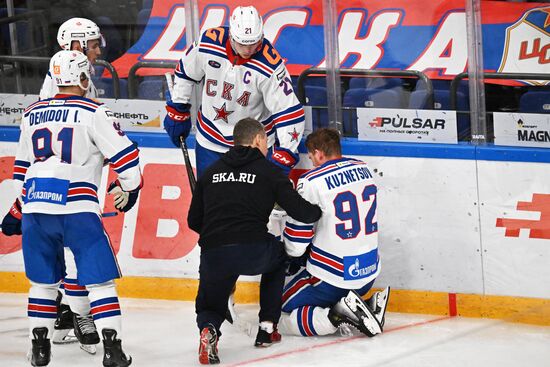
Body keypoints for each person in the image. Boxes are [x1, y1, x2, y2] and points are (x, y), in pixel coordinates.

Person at [0, 50, 139, 367]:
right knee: (99, 283)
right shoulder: (94, 112)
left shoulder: (31, 113)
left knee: (43, 284)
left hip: (36, 209)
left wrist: (18, 210)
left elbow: (22, 172)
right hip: (77, 209)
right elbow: (127, 158)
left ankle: (39, 348)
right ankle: (113, 350)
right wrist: (130, 187)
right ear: (82, 78)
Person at [187, 118, 322, 364]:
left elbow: (193, 220)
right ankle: (267, 328)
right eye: (267, 143)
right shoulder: (269, 172)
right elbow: (301, 211)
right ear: (259, 139)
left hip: (214, 250)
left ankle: (208, 329)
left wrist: (219, 236)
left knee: (210, 299)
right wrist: (320, 211)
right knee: (278, 258)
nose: (268, 149)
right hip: (254, 249)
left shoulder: (210, 172)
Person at [164, 5, 305, 178]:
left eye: (253, 43)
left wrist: (285, 153)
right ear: (231, 35)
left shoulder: (271, 66)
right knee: (210, 201)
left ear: (261, 36)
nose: (248, 50)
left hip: (253, 146)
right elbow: (186, 71)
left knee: (253, 203)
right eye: (242, 43)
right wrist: (178, 107)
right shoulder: (208, 42)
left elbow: (290, 112)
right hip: (210, 140)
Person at [277, 128, 390, 338]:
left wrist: (286, 250)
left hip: (333, 278)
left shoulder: (312, 181)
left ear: (319, 153)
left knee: (279, 307)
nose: (312, 163)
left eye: (311, 158)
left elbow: (297, 243)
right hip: (368, 273)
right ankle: (365, 304)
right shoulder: (363, 168)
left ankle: (338, 316)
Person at [37, 17, 105, 350]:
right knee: (81, 249)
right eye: (92, 44)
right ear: (75, 45)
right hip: (68, 187)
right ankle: (79, 313)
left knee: (72, 249)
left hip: (73, 183)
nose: (97, 49)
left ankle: (65, 309)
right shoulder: (59, 84)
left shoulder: (74, 76)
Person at [40, 17, 104, 100]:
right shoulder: (65, 80)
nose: (99, 52)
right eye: (94, 46)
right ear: (77, 48)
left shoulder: (74, 72)